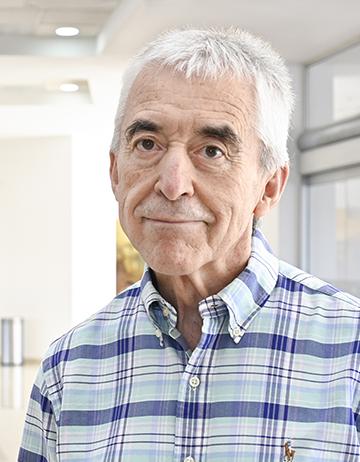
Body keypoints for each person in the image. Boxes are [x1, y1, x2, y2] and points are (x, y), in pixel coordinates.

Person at [19, 28, 360, 462]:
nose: (173, 184)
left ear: (269, 186)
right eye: (147, 144)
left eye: (213, 150)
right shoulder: (67, 370)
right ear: (115, 172)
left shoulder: (351, 355)